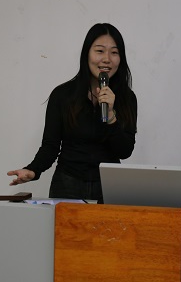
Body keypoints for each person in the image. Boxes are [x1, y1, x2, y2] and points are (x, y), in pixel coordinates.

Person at [7, 23, 137, 202]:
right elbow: (50, 146)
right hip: (67, 184)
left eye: (114, 52)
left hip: (109, 187)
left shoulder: (126, 98)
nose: (107, 59)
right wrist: (33, 170)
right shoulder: (63, 95)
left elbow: (125, 151)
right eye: (100, 51)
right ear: (87, 54)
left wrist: (111, 115)